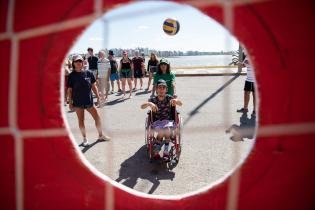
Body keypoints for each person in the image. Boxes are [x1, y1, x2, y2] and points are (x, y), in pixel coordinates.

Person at [67, 54, 110, 146]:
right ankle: (84, 139)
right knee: (81, 121)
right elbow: (69, 90)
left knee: (97, 118)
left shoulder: (88, 73)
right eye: (76, 61)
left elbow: (94, 86)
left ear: (83, 62)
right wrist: (70, 102)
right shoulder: (71, 76)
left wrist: (98, 97)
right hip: (78, 103)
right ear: (73, 63)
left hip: (89, 101)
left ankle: (100, 135)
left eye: (80, 61)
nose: (78, 63)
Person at [141, 79, 182, 161]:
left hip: (168, 121)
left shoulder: (169, 98)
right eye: (159, 87)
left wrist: (176, 100)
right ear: (156, 89)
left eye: (163, 88)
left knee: (166, 130)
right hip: (157, 122)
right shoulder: (153, 99)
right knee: (163, 131)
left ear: (166, 90)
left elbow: (181, 104)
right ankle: (160, 151)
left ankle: (162, 151)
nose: (161, 89)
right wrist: (149, 103)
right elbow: (142, 106)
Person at [237, 49, 256, 116]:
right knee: (246, 94)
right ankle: (245, 109)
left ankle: (255, 111)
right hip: (248, 79)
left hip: (255, 80)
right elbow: (243, 65)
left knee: (255, 96)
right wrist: (240, 64)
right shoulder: (247, 57)